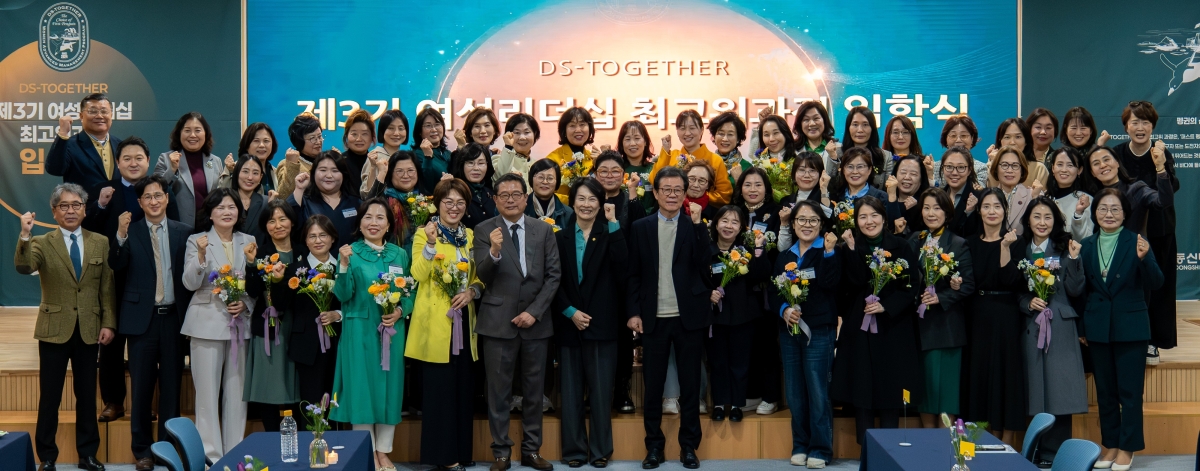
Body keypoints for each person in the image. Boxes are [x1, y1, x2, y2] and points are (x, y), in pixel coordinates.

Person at [15, 184, 116, 471]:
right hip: (53, 330)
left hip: (89, 329)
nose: (70, 210)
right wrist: (24, 234)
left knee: (86, 395)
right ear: (54, 212)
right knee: (50, 397)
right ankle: (46, 456)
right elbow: (23, 267)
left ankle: (88, 454)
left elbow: (107, 288)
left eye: (76, 205)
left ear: (85, 210)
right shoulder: (42, 242)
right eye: (64, 206)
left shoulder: (101, 242)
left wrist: (108, 322)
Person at [473, 174, 562, 471]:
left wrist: (534, 312)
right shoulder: (484, 229)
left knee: (535, 392)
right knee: (498, 392)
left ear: (526, 198)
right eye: (504, 195)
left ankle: (531, 450)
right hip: (498, 322)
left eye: (516, 194)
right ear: (495, 200)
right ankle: (501, 453)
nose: (510, 199)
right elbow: (482, 276)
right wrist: (494, 252)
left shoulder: (542, 230)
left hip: (536, 323)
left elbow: (553, 276)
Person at [626, 166, 713, 470]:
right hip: (653, 318)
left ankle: (689, 447)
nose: (673, 195)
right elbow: (633, 274)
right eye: (667, 189)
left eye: (679, 190)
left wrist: (702, 229)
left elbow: (708, 269)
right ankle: (654, 447)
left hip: (688, 317)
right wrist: (634, 312)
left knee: (691, 388)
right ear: (656, 192)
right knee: (653, 387)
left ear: (685, 193)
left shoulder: (695, 226)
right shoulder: (641, 227)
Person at [109, 175, 192, 471]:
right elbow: (116, 265)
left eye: (159, 196)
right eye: (148, 197)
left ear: (167, 199)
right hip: (140, 321)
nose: (154, 201)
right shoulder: (129, 231)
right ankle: (142, 450)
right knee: (142, 389)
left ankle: (167, 448)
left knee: (171, 389)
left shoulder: (186, 232)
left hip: (173, 319)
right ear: (140, 202)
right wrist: (119, 235)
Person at [829, 196, 921, 457]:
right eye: (862, 217)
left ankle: (890, 449)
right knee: (863, 387)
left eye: (874, 216)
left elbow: (910, 285)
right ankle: (866, 450)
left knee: (890, 387)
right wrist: (850, 249)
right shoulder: (850, 246)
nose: (869, 221)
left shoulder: (901, 246)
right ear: (856, 221)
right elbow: (854, 283)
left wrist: (886, 306)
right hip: (860, 326)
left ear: (884, 218)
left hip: (893, 326)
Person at [1080, 189, 1162, 471]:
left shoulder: (1137, 242)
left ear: (1125, 214)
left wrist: (1146, 257)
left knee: (1129, 393)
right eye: (1103, 209)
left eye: (1115, 209)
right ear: (1095, 213)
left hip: (1131, 329)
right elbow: (1083, 292)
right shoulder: (1087, 245)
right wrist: (1082, 326)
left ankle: (1127, 447)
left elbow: (1157, 282)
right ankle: (1109, 444)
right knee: (1105, 392)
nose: (1109, 214)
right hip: (1098, 328)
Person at [329, 198, 413, 470]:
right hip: (359, 332)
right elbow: (342, 295)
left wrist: (400, 311)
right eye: (368, 217)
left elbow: (411, 294)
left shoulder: (399, 255)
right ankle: (365, 451)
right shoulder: (349, 253)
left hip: (391, 331)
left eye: (380, 218)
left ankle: (384, 451)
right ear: (360, 223)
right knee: (362, 390)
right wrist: (342, 266)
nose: (373, 222)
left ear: (389, 225)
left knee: (389, 390)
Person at [407, 179, 485, 471]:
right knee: (440, 394)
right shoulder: (422, 234)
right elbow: (417, 274)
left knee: (464, 391)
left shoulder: (470, 235)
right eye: (448, 202)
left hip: (465, 322)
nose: (454, 208)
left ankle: (462, 451)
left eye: (460, 203)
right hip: (436, 325)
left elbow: (480, 275)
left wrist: (471, 292)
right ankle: (444, 457)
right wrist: (429, 243)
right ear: (437, 204)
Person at [80, 136, 156, 423]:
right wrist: (99, 206)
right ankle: (113, 401)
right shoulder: (104, 190)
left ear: (148, 161)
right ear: (118, 163)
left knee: (144, 347)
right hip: (111, 277)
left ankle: (143, 403)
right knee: (110, 343)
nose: (133, 163)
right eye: (127, 158)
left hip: (148, 276)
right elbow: (86, 228)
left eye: (139, 158)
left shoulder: (157, 190)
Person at [552, 179, 627, 468]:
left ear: (601, 203)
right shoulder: (560, 237)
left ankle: (599, 452)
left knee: (599, 393)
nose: (586, 204)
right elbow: (552, 281)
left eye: (592, 199)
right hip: (569, 321)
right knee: (570, 393)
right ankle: (573, 452)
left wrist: (614, 223)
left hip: (602, 324)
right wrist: (569, 311)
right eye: (580, 199)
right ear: (572, 203)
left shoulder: (611, 233)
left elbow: (623, 270)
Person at [181, 188, 256, 462]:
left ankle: (235, 454)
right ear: (210, 213)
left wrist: (245, 304)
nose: (227, 212)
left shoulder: (248, 240)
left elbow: (256, 282)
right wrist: (200, 256)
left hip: (240, 325)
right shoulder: (196, 240)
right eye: (221, 207)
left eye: (232, 207)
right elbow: (190, 283)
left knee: (238, 396)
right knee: (207, 397)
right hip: (206, 324)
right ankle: (210, 456)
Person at [1016, 197, 1087, 468]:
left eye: (1048, 217)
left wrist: (1074, 258)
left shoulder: (1065, 247)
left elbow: (1076, 289)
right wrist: (1027, 302)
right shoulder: (1020, 251)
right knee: (1035, 389)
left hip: (1061, 324)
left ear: (1055, 221)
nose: (1042, 222)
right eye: (1037, 217)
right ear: (1028, 221)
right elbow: (1015, 291)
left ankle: (1056, 454)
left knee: (1060, 390)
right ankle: (1035, 450)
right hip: (1031, 325)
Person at [771, 201, 839, 468]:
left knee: (818, 390)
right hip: (790, 331)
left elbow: (831, 284)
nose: (807, 225)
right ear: (793, 223)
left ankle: (821, 448)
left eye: (813, 220)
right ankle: (800, 444)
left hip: (820, 330)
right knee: (795, 392)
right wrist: (784, 310)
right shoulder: (784, 255)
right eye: (801, 220)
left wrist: (830, 253)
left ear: (821, 224)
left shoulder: (829, 251)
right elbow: (772, 291)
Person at [1112, 101, 1180, 362]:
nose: (1140, 128)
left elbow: (1170, 189)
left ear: (1152, 126)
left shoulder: (1162, 152)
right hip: (1126, 231)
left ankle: (1154, 340)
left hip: (1159, 230)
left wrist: (1161, 164)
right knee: (1130, 287)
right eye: (1134, 122)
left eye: (1145, 122)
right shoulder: (1116, 153)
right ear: (1126, 126)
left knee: (1159, 286)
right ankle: (1127, 336)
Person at [908, 188, 975, 429]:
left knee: (946, 391)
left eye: (937, 208)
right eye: (926, 208)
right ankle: (929, 440)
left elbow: (968, 285)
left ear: (947, 212)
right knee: (925, 390)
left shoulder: (958, 243)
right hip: (919, 328)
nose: (931, 213)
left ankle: (948, 446)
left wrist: (941, 298)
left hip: (946, 328)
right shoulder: (915, 239)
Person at [963, 188, 1026, 442]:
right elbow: (969, 282)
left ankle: (1007, 441)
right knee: (978, 376)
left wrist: (1005, 247)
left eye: (997, 206)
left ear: (1005, 211)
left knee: (1006, 377)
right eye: (986, 206)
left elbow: (1012, 280)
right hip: (977, 316)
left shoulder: (1017, 241)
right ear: (979, 211)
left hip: (1007, 316)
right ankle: (981, 440)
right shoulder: (969, 242)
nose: (992, 211)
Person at [593, 150, 647, 414]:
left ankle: (622, 391)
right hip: (592, 282)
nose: (609, 175)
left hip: (623, 281)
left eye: (615, 171)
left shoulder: (631, 201)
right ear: (594, 174)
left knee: (623, 339)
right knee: (593, 338)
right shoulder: (588, 201)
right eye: (603, 171)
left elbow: (639, 238)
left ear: (623, 175)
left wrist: (634, 194)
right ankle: (592, 393)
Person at [706, 205, 769, 423]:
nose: (728, 226)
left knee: (740, 362)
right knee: (718, 362)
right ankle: (719, 403)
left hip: (744, 316)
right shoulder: (707, 250)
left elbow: (760, 276)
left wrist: (760, 250)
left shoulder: (747, 251)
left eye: (734, 222)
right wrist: (709, 293)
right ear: (716, 223)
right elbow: (695, 278)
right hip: (715, 317)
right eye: (724, 220)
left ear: (741, 227)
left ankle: (736, 404)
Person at [243, 200, 302, 431]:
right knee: (268, 388)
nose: (277, 225)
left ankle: (295, 443)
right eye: (271, 220)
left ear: (292, 221)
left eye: (282, 219)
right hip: (269, 328)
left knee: (295, 387)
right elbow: (253, 291)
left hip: (297, 329)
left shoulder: (302, 251)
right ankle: (273, 440)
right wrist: (250, 265)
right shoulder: (261, 254)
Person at [733, 168, 784, 415]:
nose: (752, 189)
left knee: (767, 344)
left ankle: (771, 396)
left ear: (767, 188)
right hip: (740, 289)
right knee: (745, 345)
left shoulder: (775, 213)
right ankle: (751, 394)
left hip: (766, 288)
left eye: (758, 185)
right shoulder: (735, 212)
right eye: (747, 184)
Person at [287, 215, 343, 429]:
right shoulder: (295, 271)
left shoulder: (342, 268)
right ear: (305, 240)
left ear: (332, 238)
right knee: (310, 401)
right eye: (312, 236)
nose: (318, 240)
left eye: (323, 235)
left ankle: (334, 450)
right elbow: (286, 306)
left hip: (338, 342)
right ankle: (312, 447)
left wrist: (337, 314)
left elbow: (350, 304)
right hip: (307, 345)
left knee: (335, 398)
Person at [154, 112, 225, 227]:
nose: (192, 135)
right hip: (178, 228)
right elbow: (156, 191)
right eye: (187, 130)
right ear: (179, 134)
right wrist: (172, 169)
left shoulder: (215, 161)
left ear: (206, 134)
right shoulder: (166, 159)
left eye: (198, 130)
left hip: (210, 228)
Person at [649, 110, 734, 206]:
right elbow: (654, 181)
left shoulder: (715, 160)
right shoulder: (671, 155)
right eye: (682, 128)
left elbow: (724, 196)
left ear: (701, 130)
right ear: (677, 131)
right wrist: (665, 152)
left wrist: (698, 195)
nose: (687, 133)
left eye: (692, 128)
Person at [47, 93, 122, 195]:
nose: (99, 116)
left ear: (111, 115)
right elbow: (54, 169)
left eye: (104, 111)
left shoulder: (121, 145)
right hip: (83, 209)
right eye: (92, 111)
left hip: (118, 210)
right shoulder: (70, 144)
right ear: (81, 116)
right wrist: (63, 133)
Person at [288, 150, 363, 250]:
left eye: (335, 171)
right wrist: (299, 189)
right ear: (313, 174)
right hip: (315, 264)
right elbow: (289, 222)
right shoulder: (305, 201)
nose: (329, 175)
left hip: (351, 263)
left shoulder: (356, 203)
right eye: (323, 170)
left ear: (343, 175)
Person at [370, 151, 424, 256]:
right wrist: (381, 173)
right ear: (390, 174)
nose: (405, 175)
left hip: (421, 258)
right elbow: (367, 206)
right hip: (390, 258)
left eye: (411, 170)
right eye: (399, 171)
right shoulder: (384, 199)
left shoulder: (426, 200)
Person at [546, 106, 598, 203]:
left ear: (590, 128)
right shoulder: (553, 159)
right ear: (564, 130)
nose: (578, 130)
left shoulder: (593, 158)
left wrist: (600, 165)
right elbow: (545, 193)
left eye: (582, 124)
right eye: (572, 125)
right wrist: (573, 201)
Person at [926, 115, 989, 188]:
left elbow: (978, 192)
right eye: (953, 136)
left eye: (963, 136)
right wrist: (930, 175)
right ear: (945, 139)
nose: (958, 140)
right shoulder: (934, 168)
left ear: (972, 139)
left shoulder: (981, 168)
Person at [218, 123, 279, 196]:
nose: (262, 145)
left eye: (266, 141)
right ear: (247, 145)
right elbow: (221, 196)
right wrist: (230, 171)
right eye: (256, 141)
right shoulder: (234, 168)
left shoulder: (274, 171)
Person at [362, 109, 412, 198]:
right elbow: (366, 194)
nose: (396, 133)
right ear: (382, 131)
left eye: (401, 128)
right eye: (391, 128)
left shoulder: (407, 157)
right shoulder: (375, 156)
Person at [988, 118, 1050, 188]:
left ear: (1026, 141)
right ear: (1000, 141)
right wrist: (993, 163)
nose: (1012, 142)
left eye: (1018, 137)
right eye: (1007, 137)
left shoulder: (1039, 169)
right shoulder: (990, 166)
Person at [989, 146, 1037, 236]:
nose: (1009, 170)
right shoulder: (988, 197)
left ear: (1022, 170)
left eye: (1015, 166)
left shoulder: (1033, 195)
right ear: (996, 168)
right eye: (1004, 165)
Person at [841, 106, 893, 187]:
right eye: (855, 124)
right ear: (848, 128)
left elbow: (888, 189)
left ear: (872, 128)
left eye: (865, 125)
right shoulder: (837, 153)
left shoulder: (885, 156)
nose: (860, 130)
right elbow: (829, 184)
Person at [452, 143, 498, 230]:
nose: (476, 168)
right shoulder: (455, 192)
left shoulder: (491, 192)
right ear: (462, 165)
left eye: (481, 163)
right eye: (470, 163)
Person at [938, 147, 982, 237]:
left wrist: (970, 212)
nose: (954, 172)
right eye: (949, 167)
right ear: (942, 168)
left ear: (969, 170)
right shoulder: (937, 196)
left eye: (961, 167)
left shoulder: (979, 197)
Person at [755, 114, 801, 201]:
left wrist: (772, 192)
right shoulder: (758, 162)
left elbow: (798, 195)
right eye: (766, 135)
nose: (771, 139)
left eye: (776, 133)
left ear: (785, 133)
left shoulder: (797, 162)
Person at [276, 113, 321, 198]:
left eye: (319, 136)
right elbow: (283, 197)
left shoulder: (325, 161)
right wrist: (292, 166)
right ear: (299, 141)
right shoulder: (287, 164)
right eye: (312, 138)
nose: (318, 142)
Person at [885, 155, 932, 236]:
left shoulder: (927, 203)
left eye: (913, 174)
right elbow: (889, 230)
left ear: (921, 179)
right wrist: (892, 195)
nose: (907, 177)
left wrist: (914, 210)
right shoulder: (883, 198)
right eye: (903, 172)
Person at [618, 120, 657, 214]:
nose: (632, 143)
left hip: (649, 223)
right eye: (627, 139)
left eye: (637, 138)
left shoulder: (654, 169)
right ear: (622, 144)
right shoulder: (617, 169)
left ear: (645, 142)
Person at [415, 107, 455, 195]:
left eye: (437, 124)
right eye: (428, 126)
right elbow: (426, 186)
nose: (434, 129)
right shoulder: (416, 155)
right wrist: (427, 157)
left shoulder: (447, 153)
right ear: (419, 131)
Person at [492, 112, 539, 185]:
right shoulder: (498, 159)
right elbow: (500, 178)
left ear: (535, 134)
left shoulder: (537, 164)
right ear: (509, 135)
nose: (522, 137)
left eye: (527, 132)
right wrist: (508, 146)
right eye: (517, 133)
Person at [339, 109, 377, 198]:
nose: (359, 139)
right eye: (354, 134)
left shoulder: (377, 162)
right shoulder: (339, 162)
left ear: (372, 137)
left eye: (364, 134)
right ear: (347, 136)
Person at [231, 156, 269, 243]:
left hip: (258, 254)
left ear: (260, 177)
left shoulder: (266, 203)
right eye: (245, 171)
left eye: (255, 173)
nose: (250, 177)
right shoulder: (224, 200)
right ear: (237, 173)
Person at [526, 158, 573, 227]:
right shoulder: (520, 210)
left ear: (557, 182)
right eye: (540, 177)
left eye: (550, 178)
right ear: (531, 179)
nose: (545, 182)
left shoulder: (568, 213)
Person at [709, 111, 750, 187]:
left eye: (730, 134)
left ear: (738, 139)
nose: (725, 139)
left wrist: (739, 180)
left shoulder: (747, 167)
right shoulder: (707, 163)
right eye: (721, 133)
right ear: (714, 136)